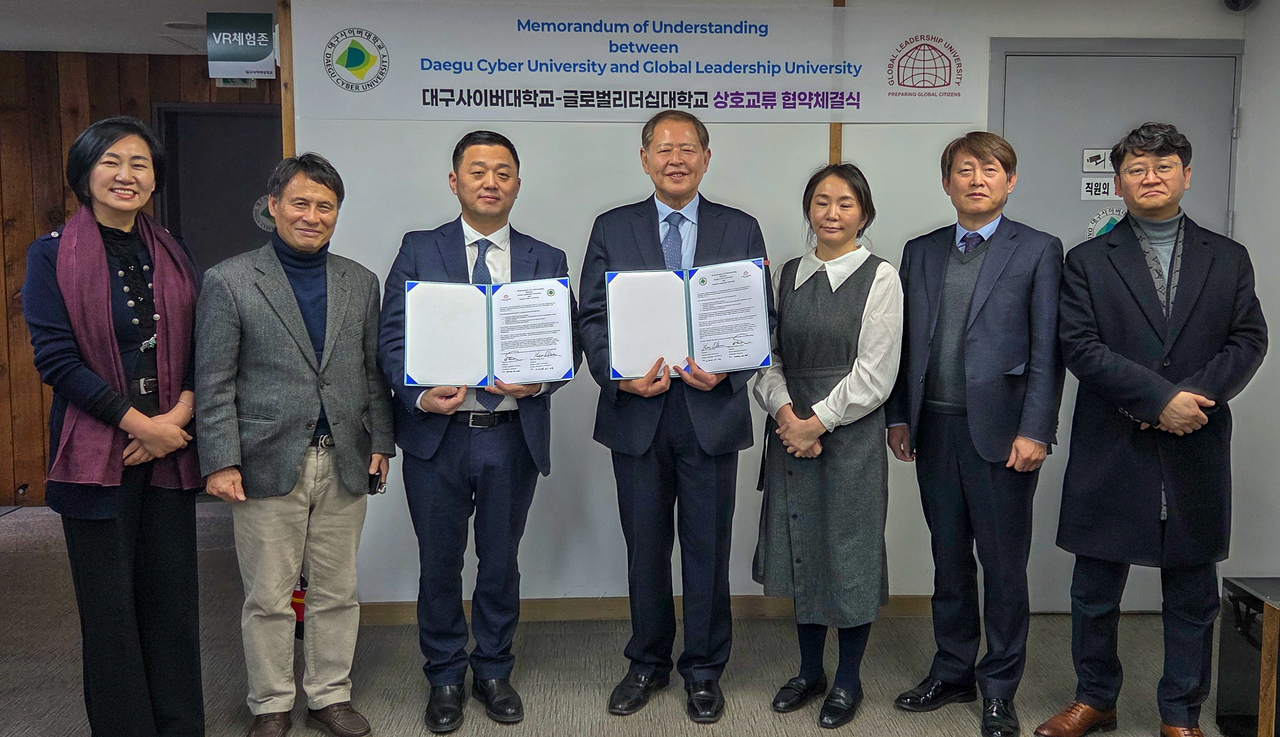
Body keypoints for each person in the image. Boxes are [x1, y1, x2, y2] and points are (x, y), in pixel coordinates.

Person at [1036, 123, 1267, 737]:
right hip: (1114, 441)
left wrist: (1192, 401)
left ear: (1186, 175)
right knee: (1094, 589)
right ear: (1119, 183)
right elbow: (1079, 346)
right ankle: (1095, 700)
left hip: (1196, 438)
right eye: (1136, 169)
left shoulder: (1228, 257)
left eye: (1164, 167)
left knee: (1192, 592)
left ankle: (1180, 714)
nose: (1151, 178)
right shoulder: (1087, 260)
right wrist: (1159, 400)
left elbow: (1248, 340)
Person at [378, 130, 579, 734]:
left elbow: (566, 344)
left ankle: (493, 669)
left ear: (517, 183)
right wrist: (417, 395)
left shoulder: (547, 258)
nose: (490, 182)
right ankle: (444, 674)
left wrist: (539, 383)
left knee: (500, 561)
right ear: (454, 181)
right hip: (437, 434)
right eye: (477, 171)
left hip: (511, 434)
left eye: (502, 172)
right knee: (439, 562)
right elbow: (391, 338)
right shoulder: (419, 248)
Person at [578, 109, 774, 725]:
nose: (676, 159)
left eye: (688, 148)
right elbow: (591, 318)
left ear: (706, 159)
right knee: (645, 548)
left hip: (711, 413)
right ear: (645, 160)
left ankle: (705, 670)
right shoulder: (612, 227)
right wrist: (620, 376)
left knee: (707, 549)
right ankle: (646, 662)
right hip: (637, 415)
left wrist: (730, 372)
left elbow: (761, 318)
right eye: (663, 149)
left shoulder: (740, 228)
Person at [195, 153, 395, 737]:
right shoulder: (230, 281)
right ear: (273, 206)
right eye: (300, 203)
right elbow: (214, 380)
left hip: (346, 456)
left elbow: (372, 371)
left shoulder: (359, 281)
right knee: (268, 595)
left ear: (337, 213)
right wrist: (221, 461)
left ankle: (329, 696)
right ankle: (271, 704)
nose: (312, 216)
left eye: (325, 206)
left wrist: (382, 441)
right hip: (265, 460)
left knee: (338, 590)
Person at [22, 115, 203, 737]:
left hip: (170, 444)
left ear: (154, 179)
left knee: (172, 604)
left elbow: (203, 343)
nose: (126, 175)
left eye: (140, 164)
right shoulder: (50, 253)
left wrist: (175, 418)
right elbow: (57, 361)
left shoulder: (174, 251)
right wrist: (139, 426)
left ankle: (180, 726)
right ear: (85, 173)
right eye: (111, 162)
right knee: (110, 612)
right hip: (96, 454)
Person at [886, 131, 1064, 737]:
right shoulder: (920, 251)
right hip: (935, 428)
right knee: (949, 560)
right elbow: (904, 344)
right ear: (947, 183)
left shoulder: (1038, 249)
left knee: (1004, 567)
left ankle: (999, 688)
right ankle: (953, 670)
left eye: (991, 170)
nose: (977, 180)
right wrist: (899, 416)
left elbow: (1048, 350)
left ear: (1010, 181)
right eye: (965, 170)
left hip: (1004, 435)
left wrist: (1036, 429)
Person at [753, 164, 902, 729]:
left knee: (850, 553)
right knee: (802, 548)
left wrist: (816, 423)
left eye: (845, 203)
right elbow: (767, 358)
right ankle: (809, 671)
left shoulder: (881, 276)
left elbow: (876, 373)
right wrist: (787, 415)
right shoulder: (788, 273)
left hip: (849, 435)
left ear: (864, 214)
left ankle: (847, 679)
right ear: (808, 209)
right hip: (791, 429)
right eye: (821, 201)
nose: (832, 213)